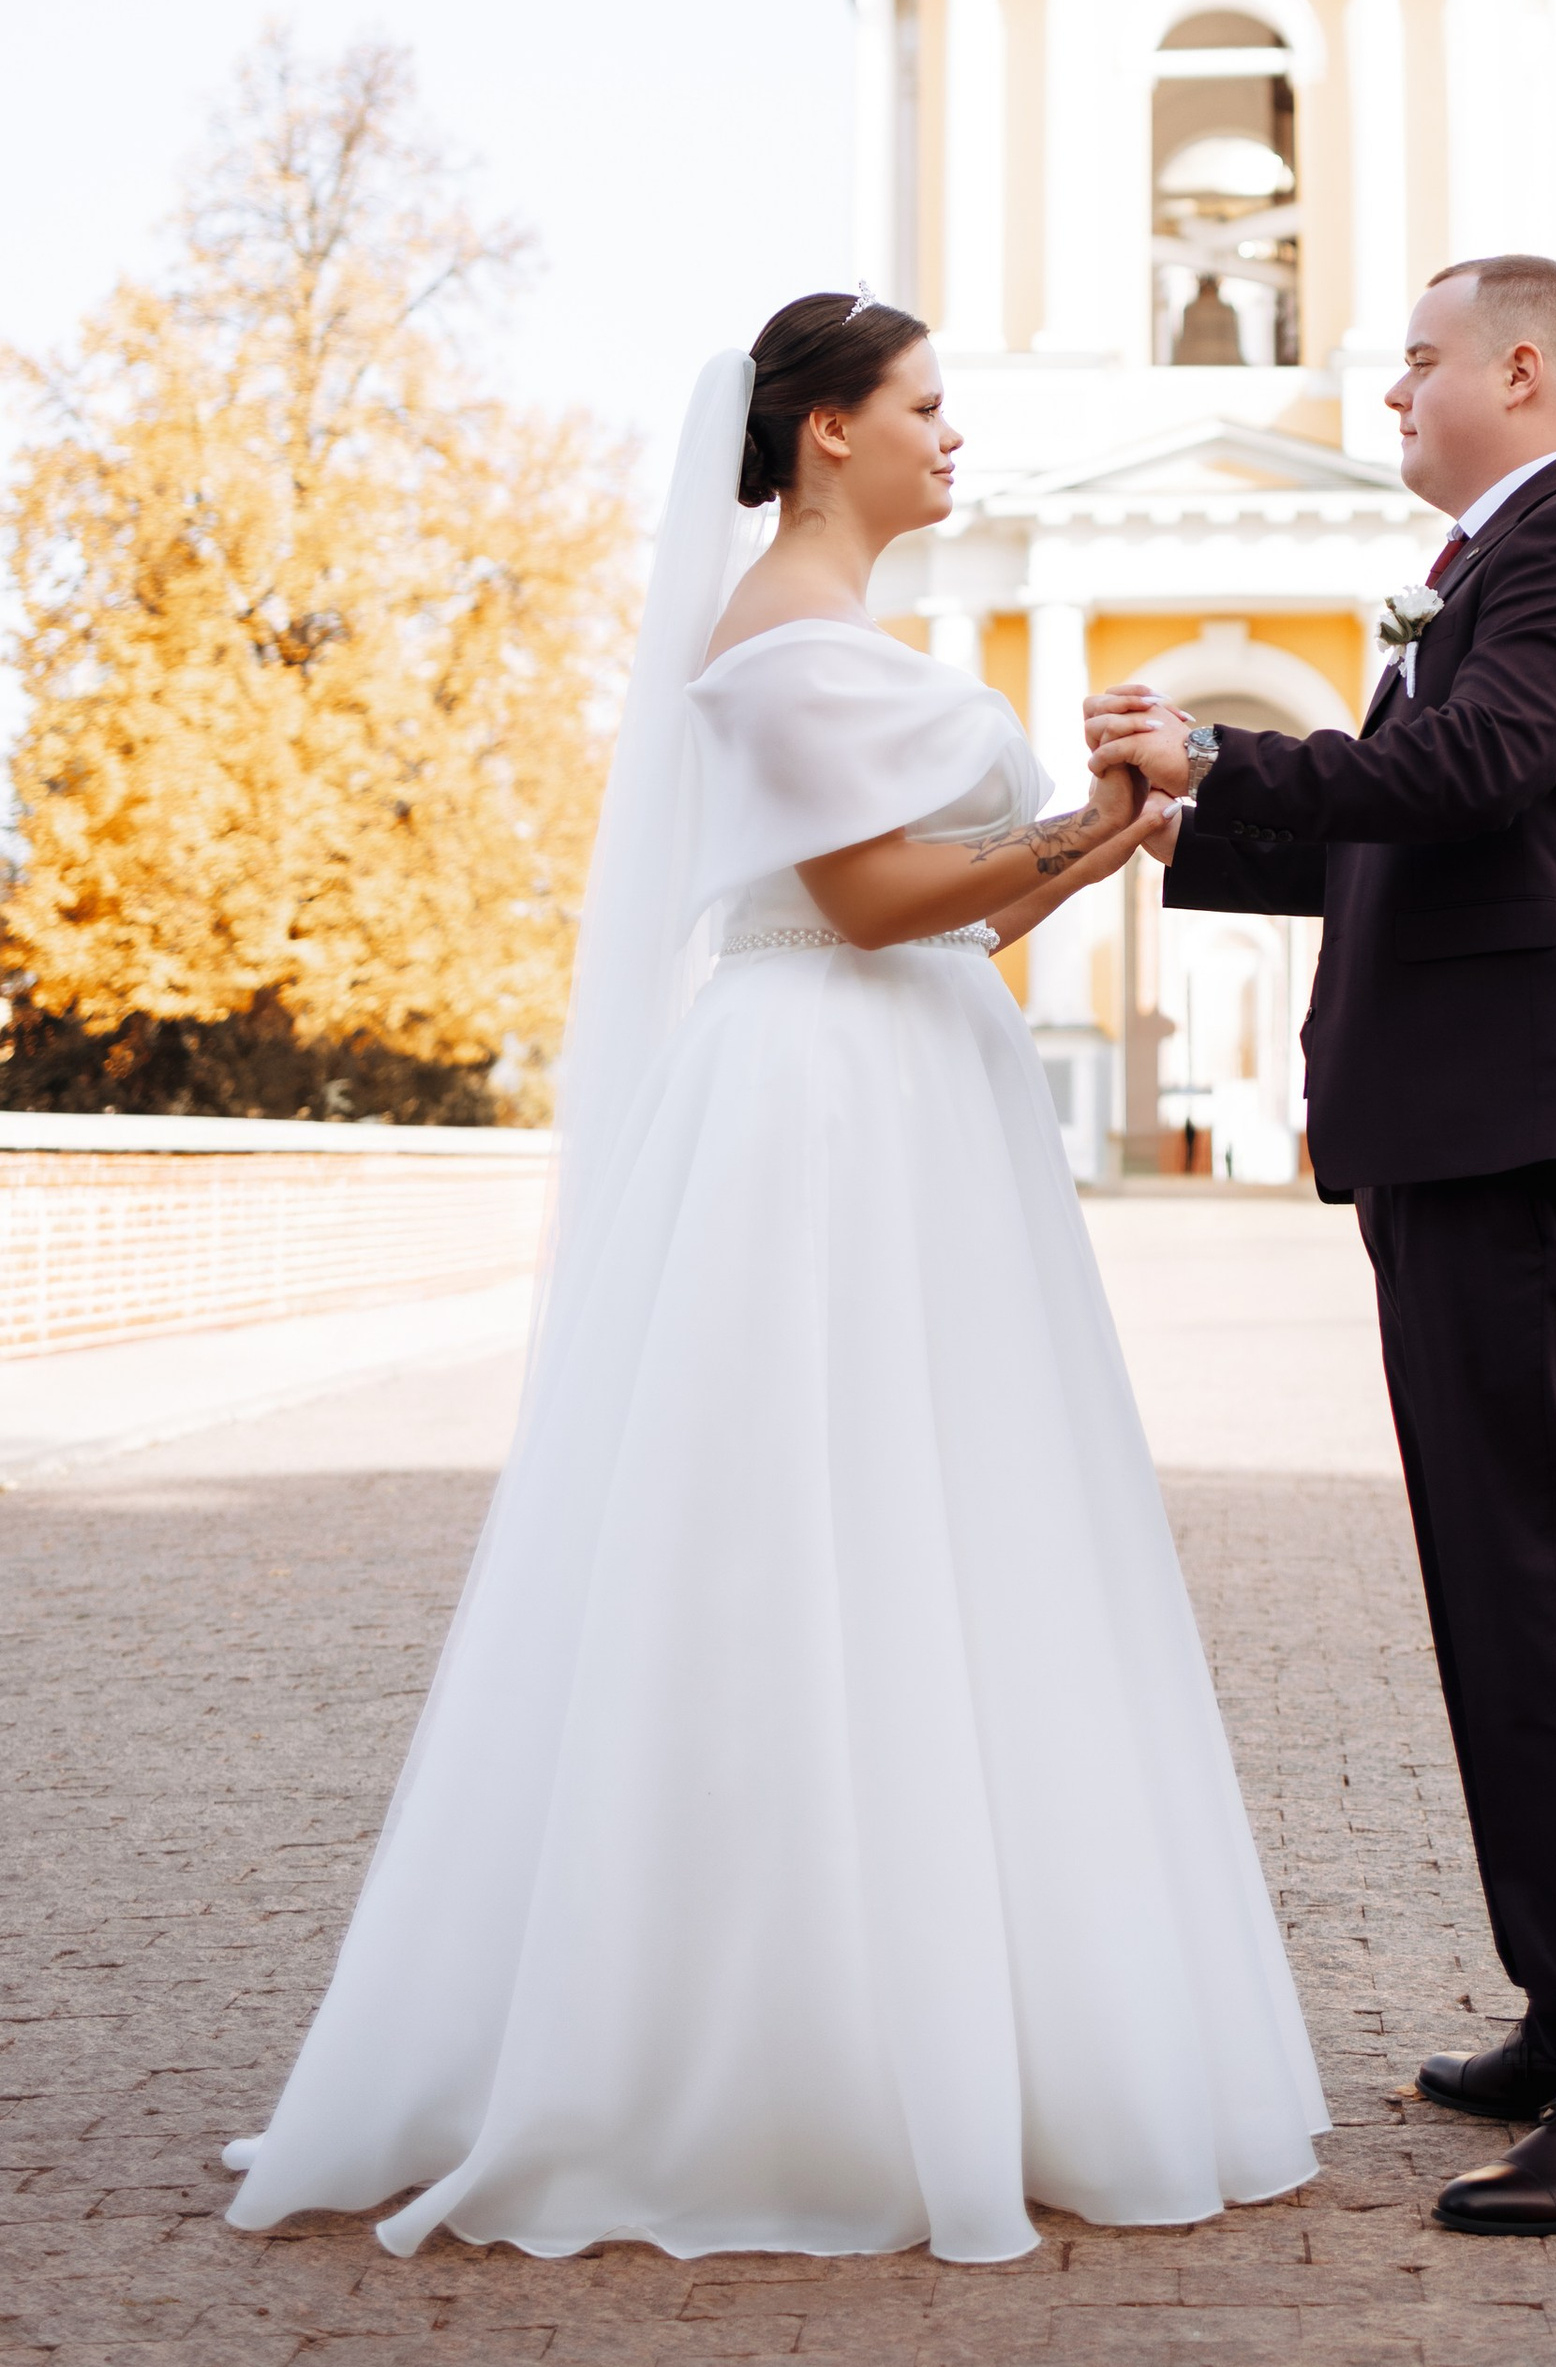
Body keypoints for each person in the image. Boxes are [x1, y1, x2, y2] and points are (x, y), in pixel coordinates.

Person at [224, 292, 1327, 2266]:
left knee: (948, 1503)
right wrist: (1073, 825)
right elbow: (867, 898)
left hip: (901, 1073)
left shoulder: (839, 636)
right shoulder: (782, 643)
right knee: (823, 1508)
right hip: (824, 1093)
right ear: (822, 430)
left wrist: (1098, 843)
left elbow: (934, 913)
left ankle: (963, 2002)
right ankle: (782, 2037)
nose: (950, 436)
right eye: (923, 405)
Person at [1088, 253, 1556, 2241]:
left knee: (1538, 1582)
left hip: (1533, 1127)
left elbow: (1466, 776)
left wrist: (1212, 752)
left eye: (1416, 359)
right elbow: (1397, 828)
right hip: (1461, 1127)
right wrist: (1176, 822)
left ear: (1522, 369)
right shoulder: (1488, 565)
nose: (1387, 392)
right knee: (1486, 1585)